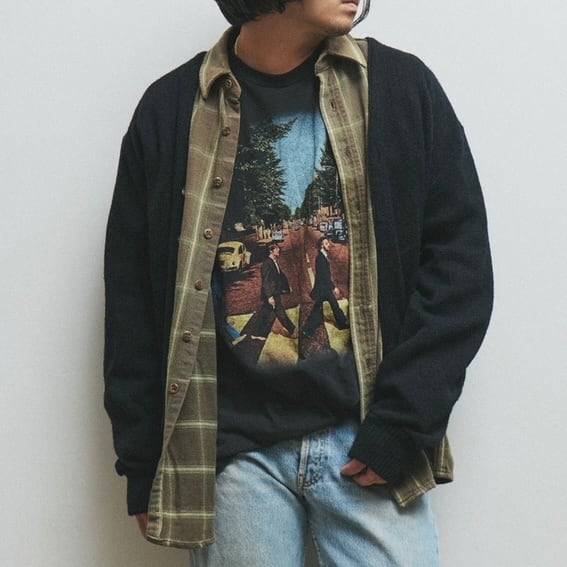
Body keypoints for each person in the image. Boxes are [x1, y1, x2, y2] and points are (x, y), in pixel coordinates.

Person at [104, 1, 493, 564]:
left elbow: (459, 269)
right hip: (231, 457)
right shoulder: (170, 111)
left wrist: (404, 425)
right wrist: (143, 463)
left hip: (366, 437)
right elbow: (132, 301)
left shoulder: (400, 89)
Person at [302, 236, 348, 339]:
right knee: (319, 310)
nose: (329, 245)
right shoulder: (320, 258)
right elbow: (324, 276)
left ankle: (341, 323)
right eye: (327, 243)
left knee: (333, 306)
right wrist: (333, 287)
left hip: (324, 288)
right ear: (322, 246)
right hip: (323, 289)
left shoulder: (322, 256)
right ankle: (307, 330)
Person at [251, 243, 297, 341]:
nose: (278, 250)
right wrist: (269, 296)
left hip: (275, 292)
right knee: (280, 313)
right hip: (272, 294)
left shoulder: (274, 262)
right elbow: (266, 282)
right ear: (271, 251)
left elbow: (281, 276)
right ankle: (292, 330)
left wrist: (287, 287)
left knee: (266, 313)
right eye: (276, 249)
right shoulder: (267, 264)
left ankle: (258, 333)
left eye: (278, 248)